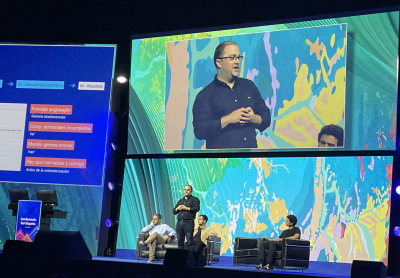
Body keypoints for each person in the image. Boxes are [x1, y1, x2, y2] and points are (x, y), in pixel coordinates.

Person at [192, 41, 271, 149]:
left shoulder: (249, 86)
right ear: (219, 62)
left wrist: (254, 118)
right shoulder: (205, 95)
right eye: (232, 58)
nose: (237, 62)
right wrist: (228, 119)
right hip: (223, 163)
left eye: (238, 57)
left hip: (251, 162)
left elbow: (266, 117)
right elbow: (200, 130)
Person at [173, 185, 200, 251]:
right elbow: (174, 212)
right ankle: (181, 259)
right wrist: (177, 208)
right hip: (179, 223)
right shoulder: (180, 201)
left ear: (191, 191)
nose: (186, 191)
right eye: (185, 189)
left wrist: (185, 208)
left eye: (188, 190)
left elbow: (197, 208)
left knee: (190, 241)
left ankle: (192, 259)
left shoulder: (195, 199)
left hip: (188, 223)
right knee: (180, 242)